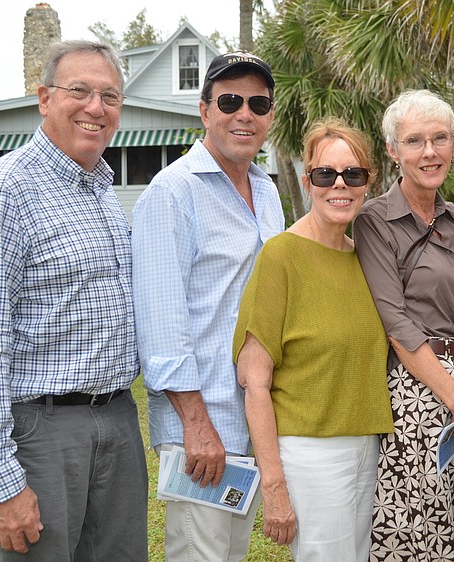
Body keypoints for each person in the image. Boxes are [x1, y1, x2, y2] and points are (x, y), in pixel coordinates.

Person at [0, 40, 147, 561]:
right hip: (41, 432)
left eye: (110, 97)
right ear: (44, 98)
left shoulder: (100, 191)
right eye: (79, 91)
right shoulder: (3, 191)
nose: (95, 108)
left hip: (118, 422)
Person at [131, 51, 284, 561]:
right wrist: (197, 427)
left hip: (252, 420)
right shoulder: (172, 192)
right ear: (204, 110)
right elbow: (161, 324)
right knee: (202, 555)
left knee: (230, 554)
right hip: (202, 429)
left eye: (258, 103)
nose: (245, 113)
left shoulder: (266, 190)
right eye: (231, 101)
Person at [233, 118, 394, 561]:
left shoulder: (366, 256)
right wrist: (274, 484)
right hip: (310, 454)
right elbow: (255, 381)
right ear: (308, 181)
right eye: (326, 174)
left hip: (369, 443)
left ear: (368, 182)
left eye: (353, 174)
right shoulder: (280, 256)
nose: (339, 185)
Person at [354, 89, 454, 562]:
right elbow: (394, 320)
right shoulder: (375, 220)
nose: (429, 151)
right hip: (419, 392)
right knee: (418, 536)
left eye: (440, 138)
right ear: (393, 151)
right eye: (415, 141)